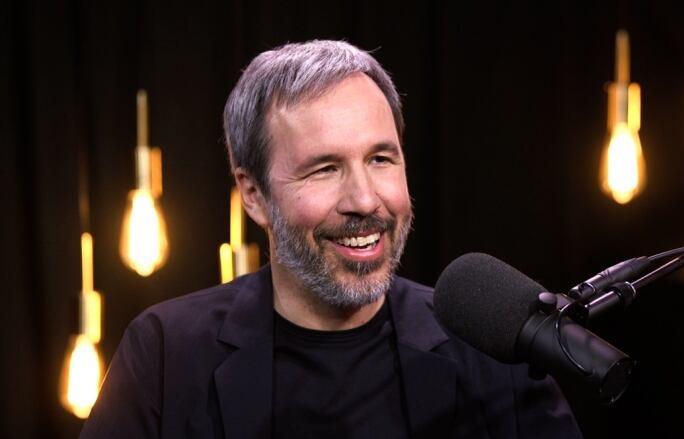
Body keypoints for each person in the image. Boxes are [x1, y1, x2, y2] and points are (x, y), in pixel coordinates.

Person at [80, 40, 582, 438]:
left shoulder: (491, 353)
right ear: (253, 195)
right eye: (324, 169)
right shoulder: (166, 355)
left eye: (381, 159)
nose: (365, 200)